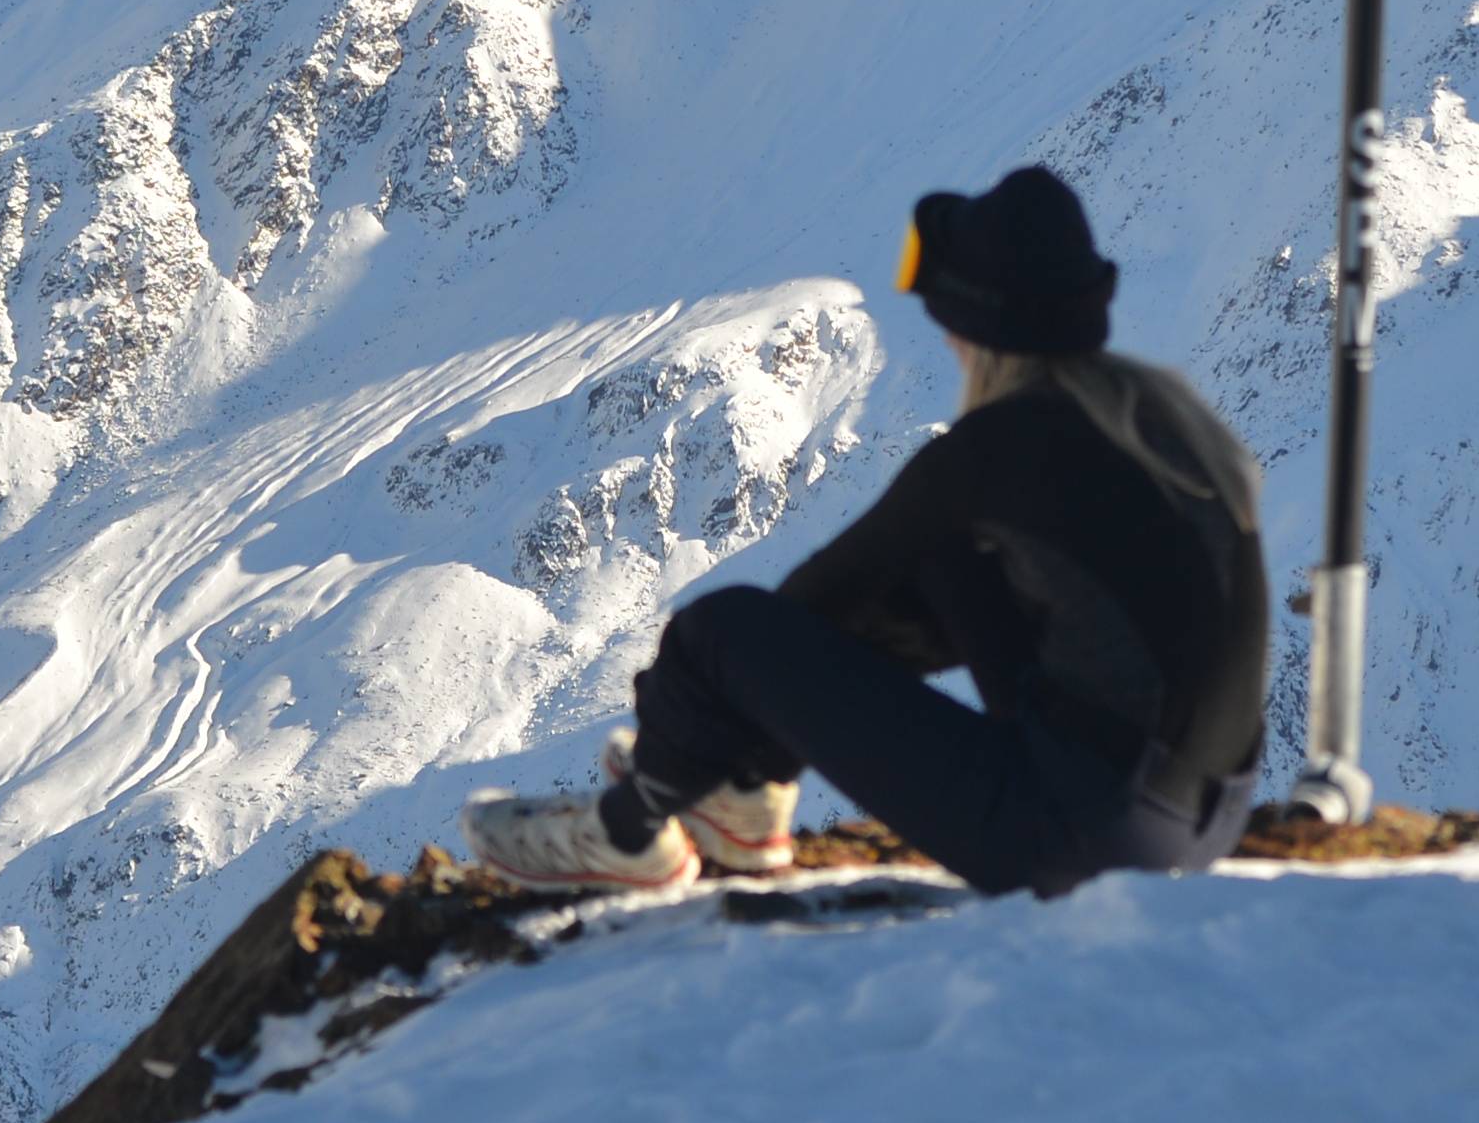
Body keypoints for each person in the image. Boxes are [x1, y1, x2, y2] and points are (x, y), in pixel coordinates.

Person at [469, 166, 1272, 900]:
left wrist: (681, 738)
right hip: (1198, 824)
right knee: (955, 572)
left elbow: (798, 615)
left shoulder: (995, 450)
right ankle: (741, 799)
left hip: (1077, 841)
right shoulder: (1169, 422)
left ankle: (627, 833)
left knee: (720, 631)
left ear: (978, 326)